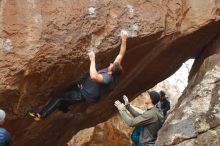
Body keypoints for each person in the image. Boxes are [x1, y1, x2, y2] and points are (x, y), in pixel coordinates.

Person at [29, 31, 127, 121]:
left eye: (111, 65)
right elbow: (121, 54)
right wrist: (124, 39)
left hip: (82, 94)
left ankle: (41, 115)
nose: (110, 64)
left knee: (59, 97)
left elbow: (93, 76)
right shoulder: (115, 71)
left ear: (111, 72)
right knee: (65, 94)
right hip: (82, 88)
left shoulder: (107, 78)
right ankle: (64, 107)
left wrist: (92, 59)